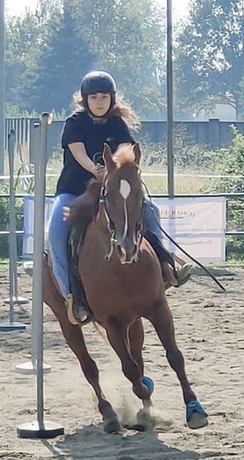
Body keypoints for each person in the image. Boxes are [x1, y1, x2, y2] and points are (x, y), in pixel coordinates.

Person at [47, 70, 193, 325]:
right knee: (55, 231)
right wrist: (95, 169)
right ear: (85, 99)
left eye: (104, 97)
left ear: (112, 99)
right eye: (94, 97)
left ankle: (165, 266)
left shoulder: (118, 125)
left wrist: (117, 170)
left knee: (150, 209)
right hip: (75, 189)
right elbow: (78, 152)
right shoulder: (74, 122)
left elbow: (127, 152)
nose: (100, 102)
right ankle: (70, 294)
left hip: (112, 190)